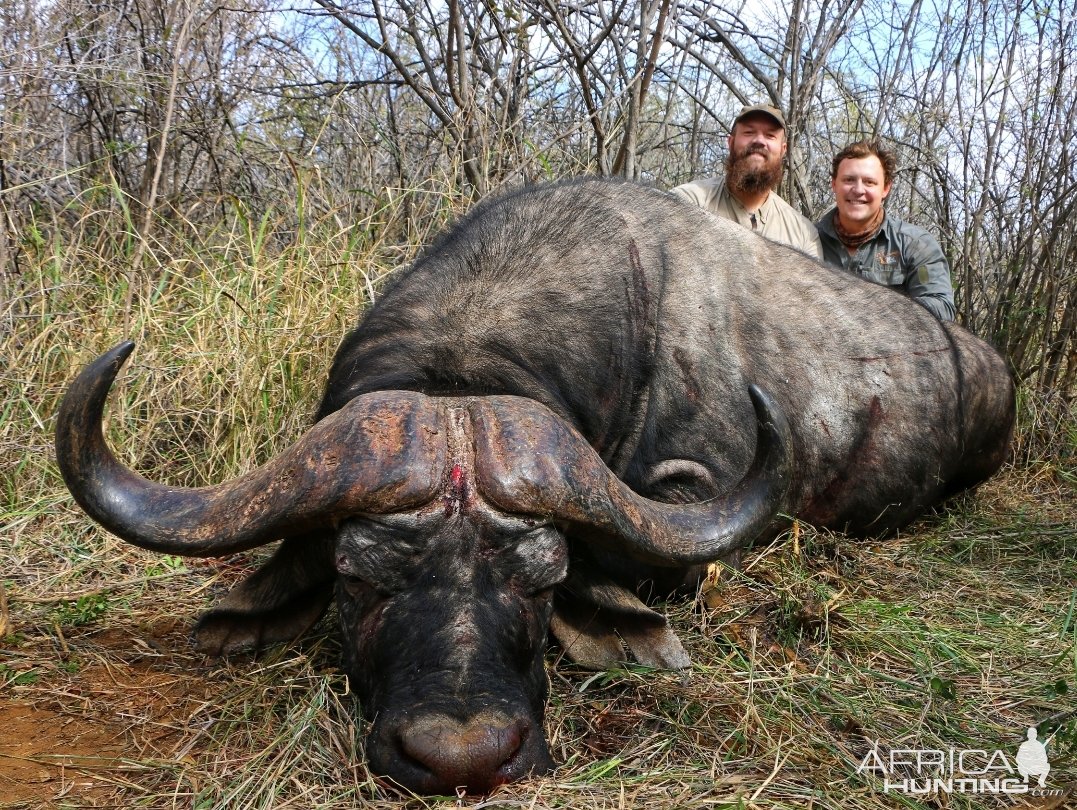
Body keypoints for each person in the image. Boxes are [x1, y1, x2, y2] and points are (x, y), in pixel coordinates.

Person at [816, 140, 956, 321]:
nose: (858, 190)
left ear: (885, 188)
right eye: (849, 180)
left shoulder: (915, 243)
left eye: (869, 182)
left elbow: (942, 308)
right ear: (834, 184)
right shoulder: (808, 238)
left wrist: (874, 309)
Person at [672, 104, 823, 259]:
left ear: (783, 150)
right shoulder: (685, 202)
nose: (759, 141)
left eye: (770, 135)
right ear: (730, 143)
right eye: (749, 132)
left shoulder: (803, 235)